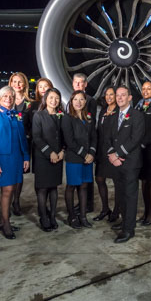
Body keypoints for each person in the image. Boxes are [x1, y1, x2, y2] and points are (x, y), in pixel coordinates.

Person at [0, 86, 30, 239]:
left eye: (11, 96)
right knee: (7, 190)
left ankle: (5, 220)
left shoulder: (17, 115)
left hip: (16, 158)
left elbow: (22, 138)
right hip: (1, 160)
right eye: (5, 96)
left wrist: (26, 157)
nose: (8, 99)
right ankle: (6, 222)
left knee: (14, 189)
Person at [104, 85, 144, 243]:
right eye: (117, 95)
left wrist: (118, 154)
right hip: (115, 163)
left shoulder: (137, 116)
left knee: (130, 196)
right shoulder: (112, 116)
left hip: (130, 163)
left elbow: (135, 139)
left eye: (123, 95)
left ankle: (129, 230)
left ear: (130, 98)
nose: (119, 98)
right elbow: (106, 138)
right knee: (120, 195)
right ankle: (124, 221)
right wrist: (111, 155)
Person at [61, 90, 97, 229]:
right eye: (76, 99)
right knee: (71, 186)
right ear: (71, 101)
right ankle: (72, 216)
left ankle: (83, 216)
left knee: (83, 187)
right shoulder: (67, 118)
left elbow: (94, 136)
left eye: (81, 99)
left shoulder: (88, 117)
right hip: (74, 158)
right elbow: (69, 141)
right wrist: (85, 154)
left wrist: (92, 153)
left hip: (87, 159)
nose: (79, 102)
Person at [32, 88, 64, 231]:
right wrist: (50, 152)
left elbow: (66, 136)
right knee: (43, 188)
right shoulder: (38, 115)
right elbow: (37, 138)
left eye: (57, 98)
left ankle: (52, 216)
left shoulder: (62, 116)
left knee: (54, 187)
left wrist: (63, 151)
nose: (54, 101)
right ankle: (43, 216)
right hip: (43, 157)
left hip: (58, 157)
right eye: (51, 98)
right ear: (46, 99)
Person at [68, 73, 97, 212]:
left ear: (85, 84)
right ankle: (80, 205)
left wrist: (89, 152)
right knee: (75, 182)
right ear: (73, 84)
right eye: (76, 82)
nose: (78, 85)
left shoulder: (90, 100)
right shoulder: (70, 99)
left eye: (81, 83)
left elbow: (91, 126)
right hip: (75, 150)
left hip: (86, 146)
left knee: (86, 181)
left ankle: (88, 205)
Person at [8, 72, 33, 216]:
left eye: (20, 82)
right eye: (14, 81)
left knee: (19, 174)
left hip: (22, 143)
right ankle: (7, 199)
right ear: (10, 83)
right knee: (8, 172)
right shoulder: (5, 100)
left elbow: (32, 123)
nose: (17, 85)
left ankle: (16, 201)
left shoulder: (29, 103)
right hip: (8, 143)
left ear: (24, 84)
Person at [135, 81, 151, 225]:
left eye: (148, 89)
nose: (145, 91)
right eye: (143, 89)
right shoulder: (139, 105)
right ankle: (146, 211)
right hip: (141, 151)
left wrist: (142, 144)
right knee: (144, 182)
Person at [92, 86, 117, 222]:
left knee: (116, 182)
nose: (109, 97)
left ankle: (117, 210)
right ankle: (105, 209)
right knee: (100, 179)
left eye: (111, 94)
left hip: (113, 152)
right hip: (102, 151)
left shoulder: (119, 111)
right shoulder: (102, 110)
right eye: (107, 95)